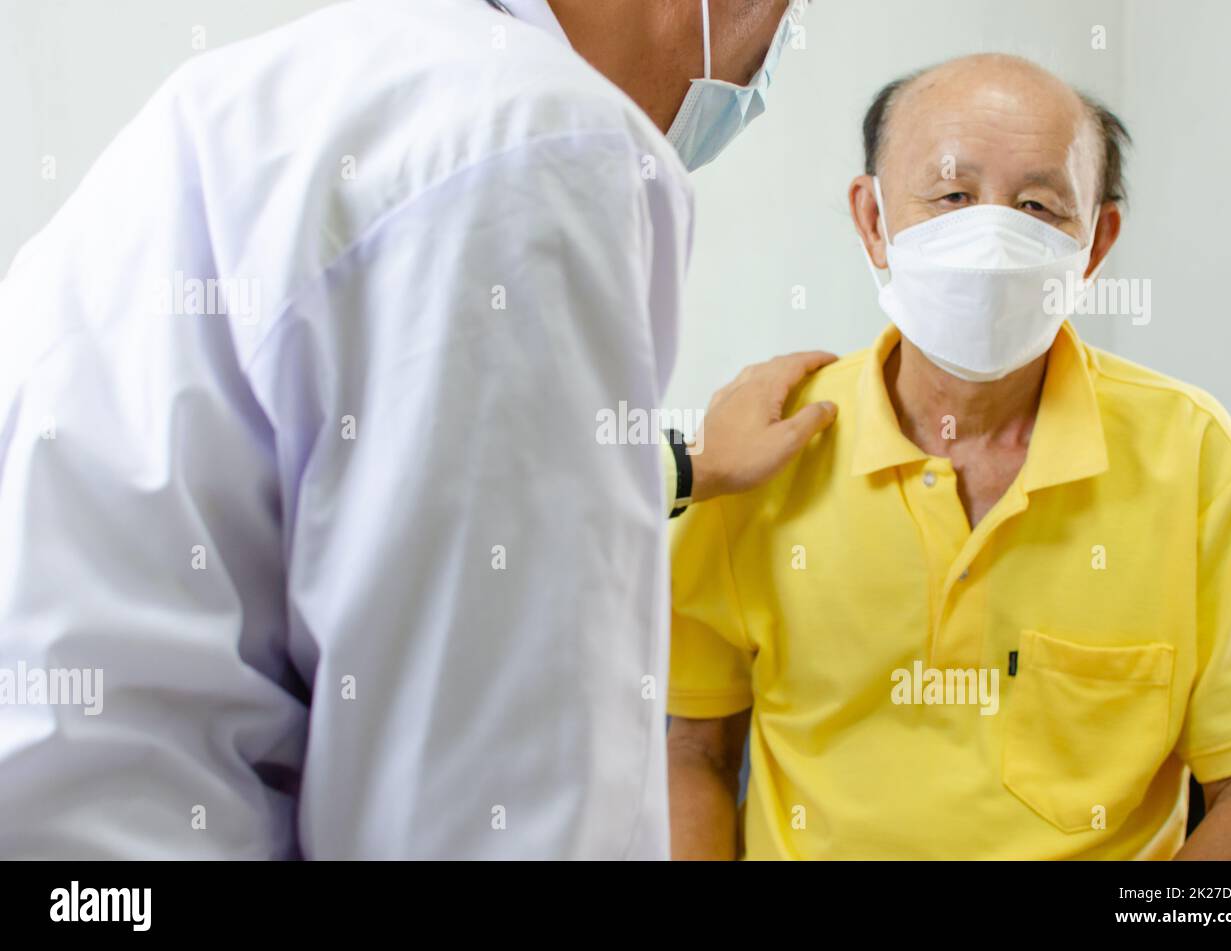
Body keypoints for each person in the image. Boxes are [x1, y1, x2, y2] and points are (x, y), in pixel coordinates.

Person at [0, 0, 834, 859]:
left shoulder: (260, 100)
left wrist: (683, 463)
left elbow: (337, 485)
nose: (767, 54)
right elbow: (491, 820)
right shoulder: (536, 139)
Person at [666, 53, 1231, 860]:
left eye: (1038, 205)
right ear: (873, 221)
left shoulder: (1194, 457)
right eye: (953, 195)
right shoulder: (762, 448)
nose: (993, 237)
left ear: (1096, 242)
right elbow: (694, 751)